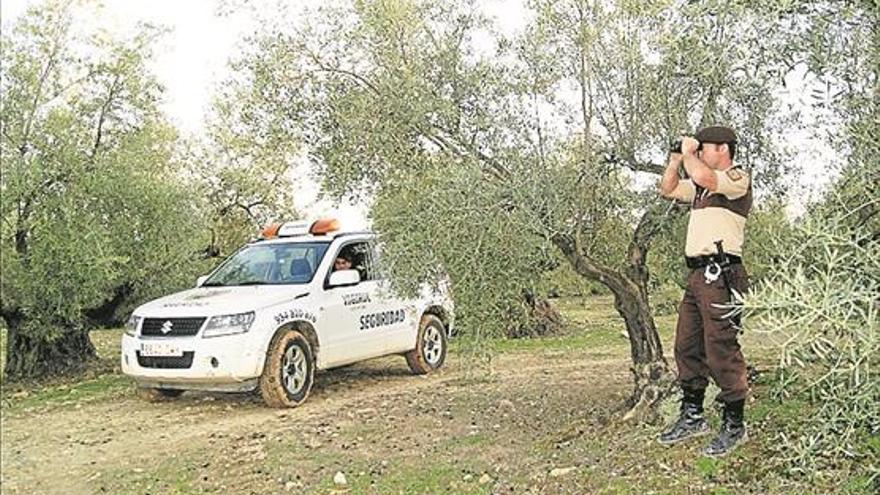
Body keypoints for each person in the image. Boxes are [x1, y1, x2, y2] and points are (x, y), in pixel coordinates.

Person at [658, 125, 752, 457]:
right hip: (697, 275)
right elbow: (668, 190)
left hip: (722, 273)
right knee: (686, 345)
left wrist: (687, 153)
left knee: (721, 346)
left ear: (723, 149)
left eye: (704, 148)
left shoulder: (736, 178)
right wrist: (674, 161)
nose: (699, 153)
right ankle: (693, 414)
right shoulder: (699, 188)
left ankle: (734, 424)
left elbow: (708, 178)